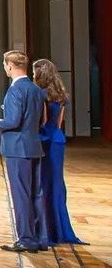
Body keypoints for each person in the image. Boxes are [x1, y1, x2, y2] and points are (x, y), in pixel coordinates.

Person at [0, 51, 49, 252]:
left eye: (5, 65)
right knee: (36, 194)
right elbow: (42, 120)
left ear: (10, 67)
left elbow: (13, 121)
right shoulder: (37, 90)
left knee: (21, 194)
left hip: (17, 149)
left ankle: (26, 239)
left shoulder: (15, 91)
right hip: (34, 146)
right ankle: (40, 237)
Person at [33, 58, 84, 245]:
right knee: (56, 183)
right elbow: (58, 123)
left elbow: (43, 121)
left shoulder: (41, 94)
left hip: (45, 140)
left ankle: (48, 231)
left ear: (39, 74)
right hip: (57, 140)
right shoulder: (61, 94)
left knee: (44, 183)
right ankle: (60, 228)